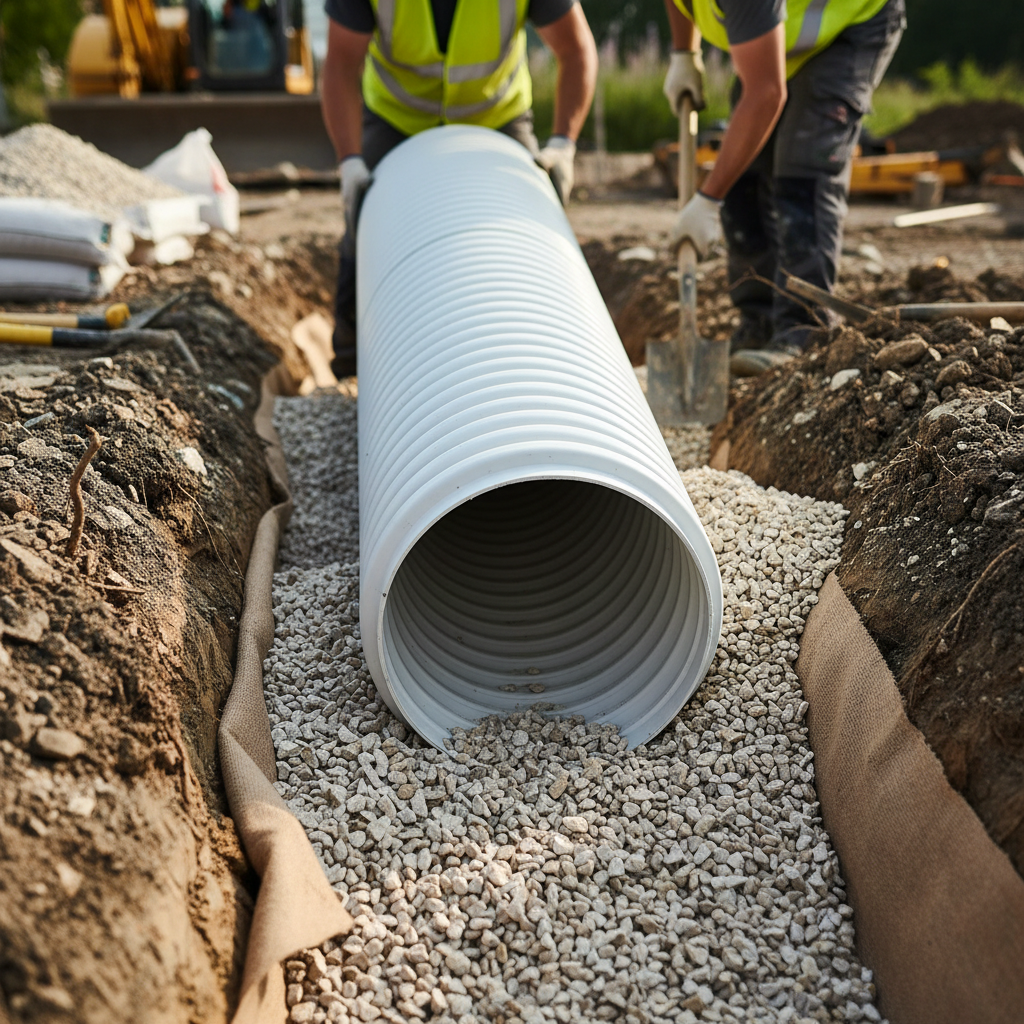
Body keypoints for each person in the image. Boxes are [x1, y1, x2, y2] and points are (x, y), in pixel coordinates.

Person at [321, 0, 599, 377]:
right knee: (367, 225)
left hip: (494, 117)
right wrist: (350, 161)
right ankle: (352, 362)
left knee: (535, 223)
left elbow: (575, 49)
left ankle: (560, 347)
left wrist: (563, 145)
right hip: (398, 118)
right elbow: (341, 63)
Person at [662, 0, 905, 375]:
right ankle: (759, 321)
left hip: (850, 22)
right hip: (780, 32)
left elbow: (766, 93)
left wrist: (708, 198)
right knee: (743, 176)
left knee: (801, 176)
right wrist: (684, 52)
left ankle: (804, 330)